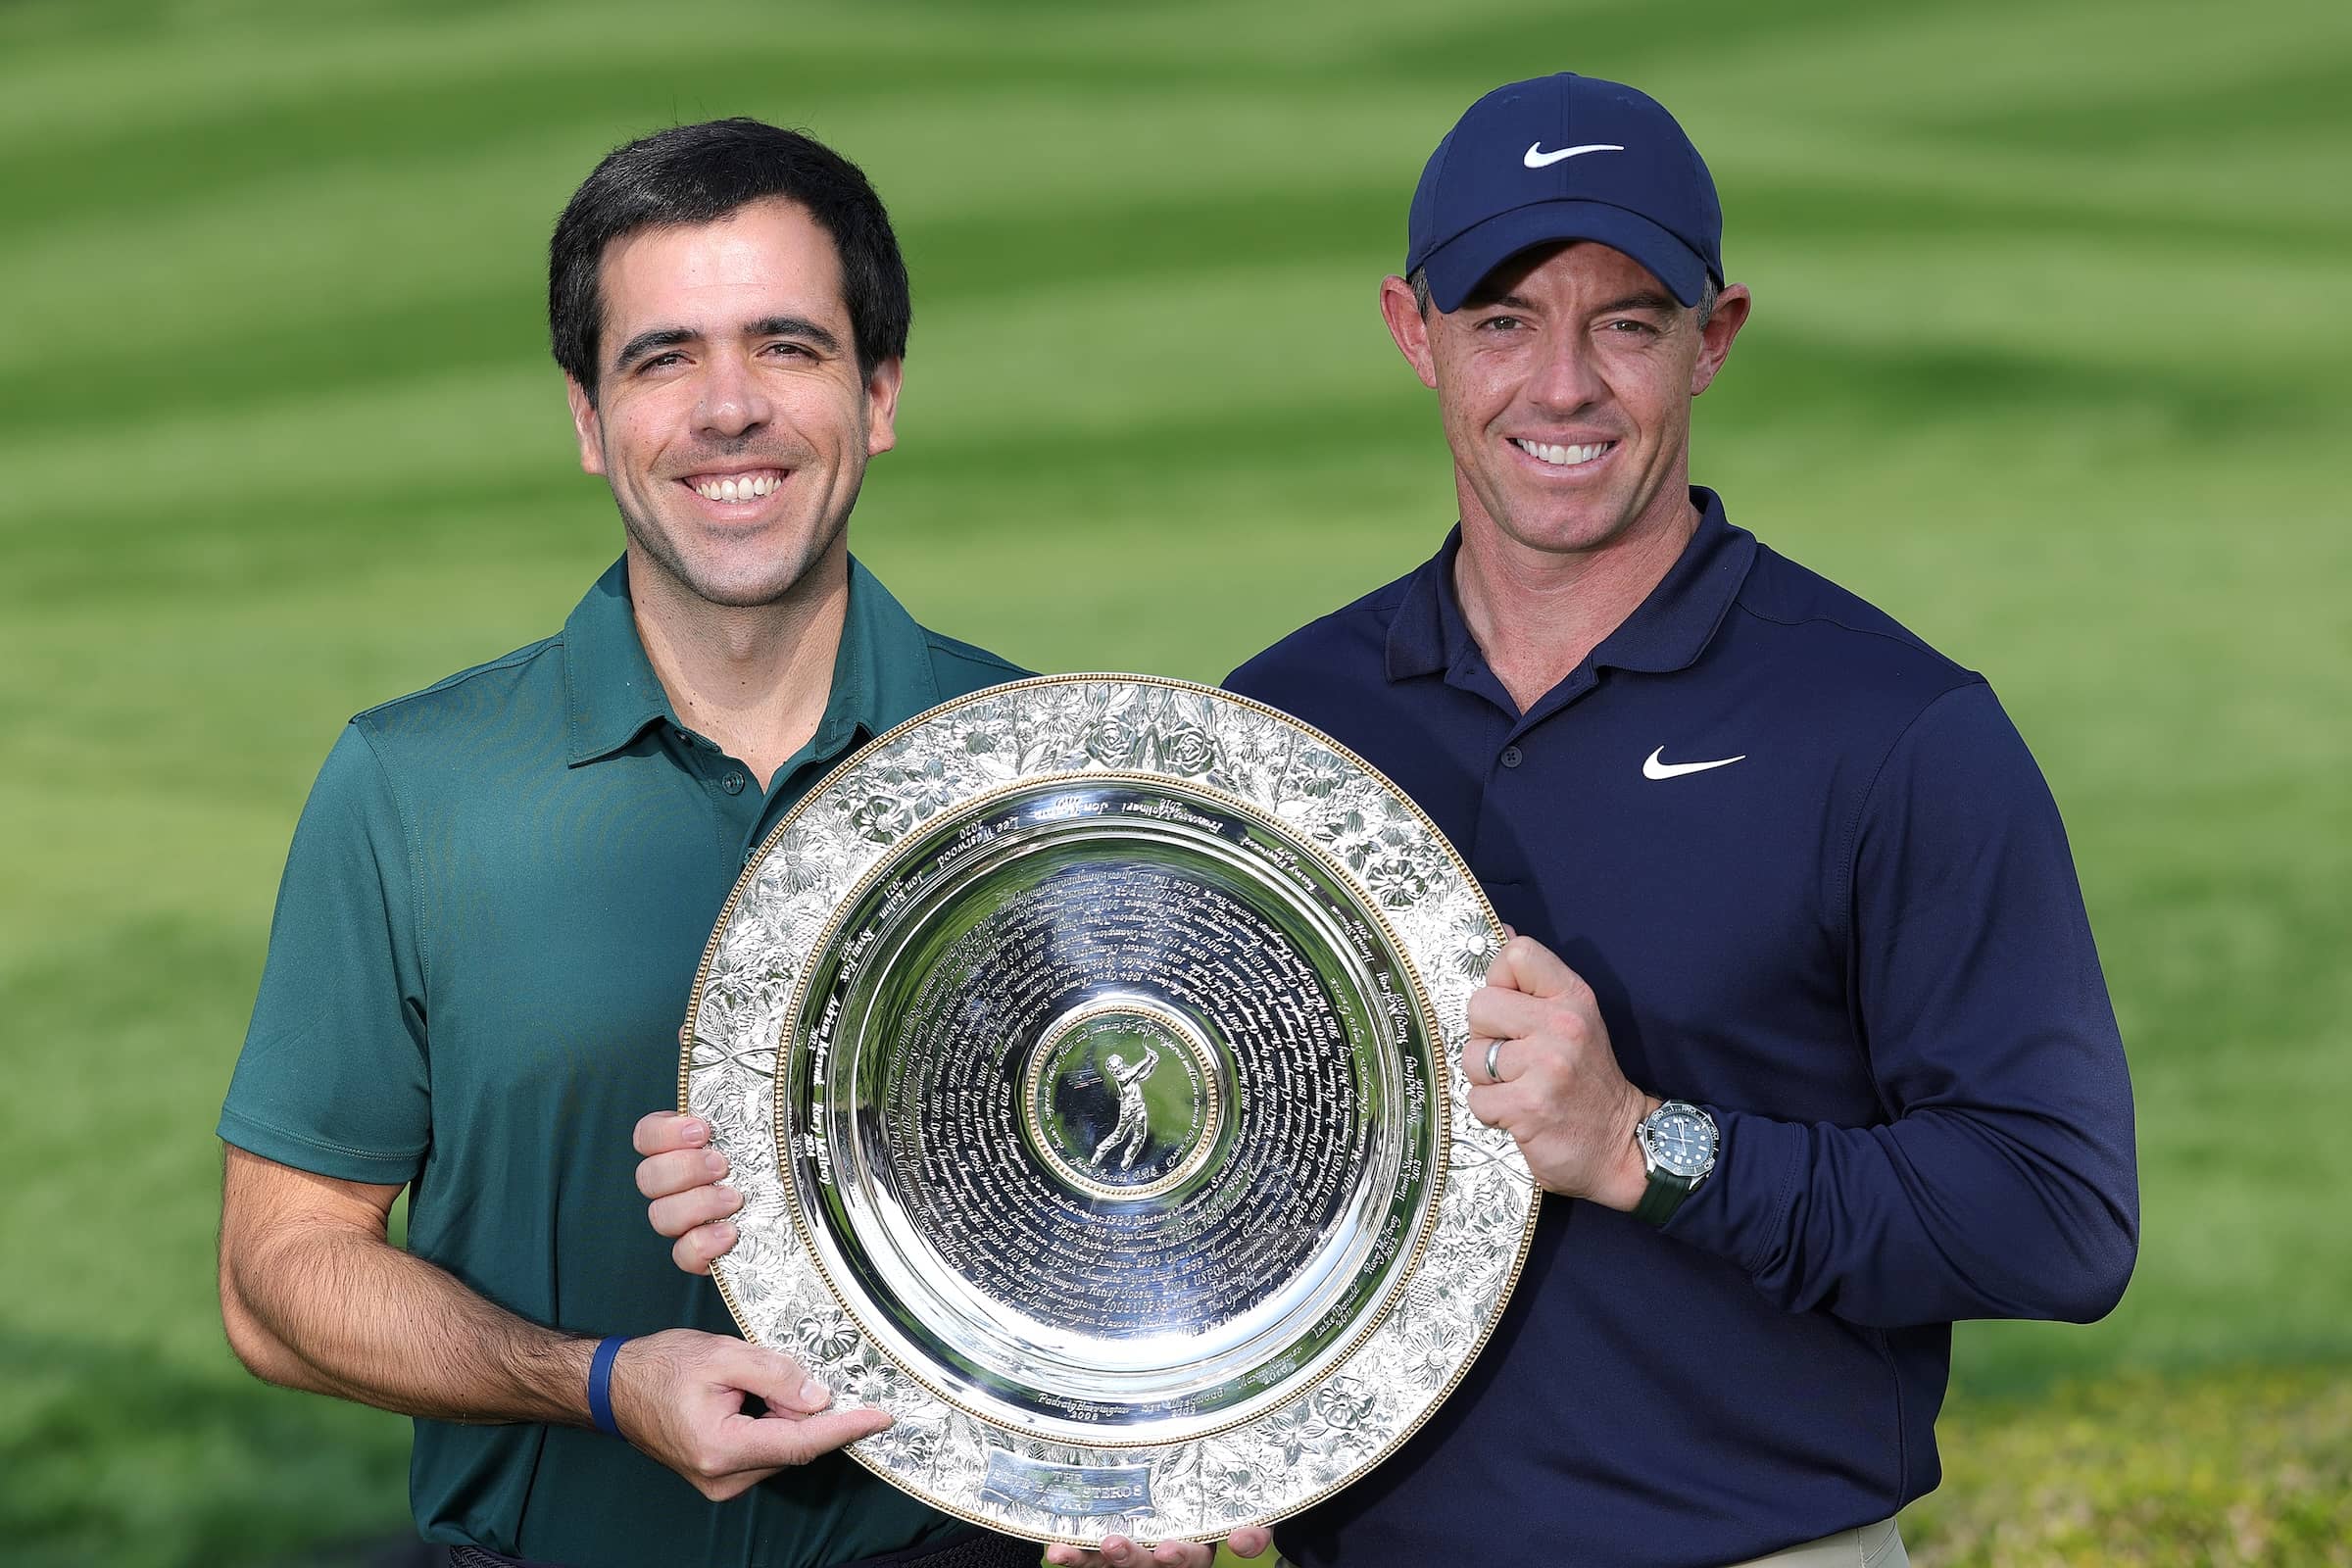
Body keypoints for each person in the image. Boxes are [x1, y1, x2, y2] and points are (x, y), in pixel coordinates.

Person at [638, 74, 2139, 1567]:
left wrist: (1643, 1144)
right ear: (1412, 333)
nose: (1562, 386)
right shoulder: (1290, 727)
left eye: (1625, 321)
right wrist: (1121, 1454)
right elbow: (1182, 1169)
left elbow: (2063, 1220)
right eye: (1502, 320)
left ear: (1712, 341)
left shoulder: (1887, 729)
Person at [215, 118, 1244, 1568]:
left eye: (787, 346)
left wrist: (1132, 1486)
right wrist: (597, 1380)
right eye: (663, 357)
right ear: (587, 418)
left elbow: (1156, 1199)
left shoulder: (1041, 772)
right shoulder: (412, 787)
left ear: (878, 393)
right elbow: (279, 1276)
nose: (728, 409)